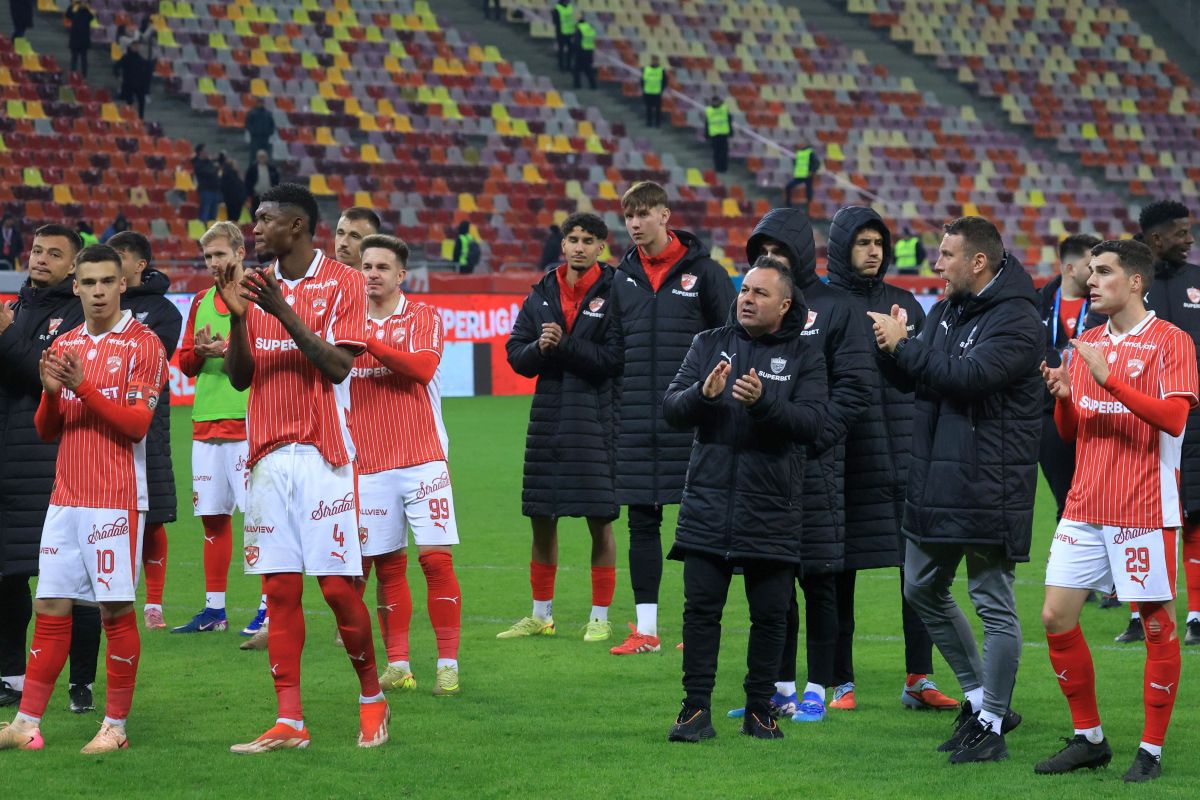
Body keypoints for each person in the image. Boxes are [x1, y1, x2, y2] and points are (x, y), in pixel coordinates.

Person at [215, 183, 387, 752]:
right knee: (281, 591)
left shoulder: (345, 282)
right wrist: (241, 319)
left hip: (325, 456)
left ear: (296, 227)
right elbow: (241, 377)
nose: (255, 228)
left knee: (338, 590)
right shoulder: (249, 286)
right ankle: (289, 720)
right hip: (265, 455)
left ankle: (371, 699)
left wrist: (280, 310)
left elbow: (339, 366)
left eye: (264, 220)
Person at [868, 216, 1043, 763]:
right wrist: (890, 348)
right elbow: (919, 376)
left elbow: (969, 379)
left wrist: (907, 348)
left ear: (979, 262)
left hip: (988, 480)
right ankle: (977, 699)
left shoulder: (1017, 319)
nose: (936, 264)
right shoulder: (946, 311)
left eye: (945, 255)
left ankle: (991, 723)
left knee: (992, 601)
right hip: (937, 475)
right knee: (920, 586)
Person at [1037, 239, 1197, 782]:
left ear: (1135, 281)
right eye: (1089, 271)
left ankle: (1150, 750)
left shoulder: (1172, 342)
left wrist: (1110, 380)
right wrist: (1064, 395)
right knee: (1055, 618)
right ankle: (1089, 739)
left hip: (1143, 507)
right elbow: (1073, 432)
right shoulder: (1084, 344)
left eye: (1103, 271)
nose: (1091, 279)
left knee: (1156, 626)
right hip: (1085, 504)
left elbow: (1174, 419)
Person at [0, 243, 168, 753]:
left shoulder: (143, 344)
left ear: (122, 285)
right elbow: (48, 430)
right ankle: (27, 723)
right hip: (65, 497)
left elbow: (138, 426)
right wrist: (53, 391)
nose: (97, 291)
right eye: (88, 283)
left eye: (106, 282)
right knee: (50, 605)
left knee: (115, 610)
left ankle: (114, 727)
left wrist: (84, 387)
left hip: (114, 499)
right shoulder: (68, 342)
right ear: (76, 287)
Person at [663, 257, 828, 743]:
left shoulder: (803, 354)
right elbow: (671, 407)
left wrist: (766, 403)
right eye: (745, 290)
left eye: (759, 293)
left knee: (770, 614)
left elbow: (814, 424)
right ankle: (694, 710)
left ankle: (761, 709)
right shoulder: (708, 343)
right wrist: (702, 394)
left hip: (772, 504)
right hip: (708, 504)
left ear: (784, 304)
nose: (747, 299)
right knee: (700, 612)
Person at [731, 208, 874, 723]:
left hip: (816, 464)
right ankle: (781, 687)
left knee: (819, 580)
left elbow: (855, 388)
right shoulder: (753, 303)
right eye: (761, 252)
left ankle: (819, 687)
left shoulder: (838, 307)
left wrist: (815, 437)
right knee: (773, 582)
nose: (769, 259)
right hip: (763, 466)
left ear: (799, 251)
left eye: (778, 250)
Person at [824, 206, 956, 712]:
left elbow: (927, 374)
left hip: (904, 454)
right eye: (862, 242)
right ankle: (842, 682)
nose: (874, 250)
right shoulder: (824, 306)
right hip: (844, 455)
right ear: (841, 248)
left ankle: (919, 679)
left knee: (917, 574)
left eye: (878, 242)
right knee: (838, 573)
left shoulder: (906, 304)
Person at [608, 181, 735, 655]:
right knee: (642, 522)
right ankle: (646, 630)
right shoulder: (621, 277)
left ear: (665, 215)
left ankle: (697, 626)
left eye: (644, 213)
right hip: (639, 419)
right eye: (629, 216)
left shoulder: (705, 273)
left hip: (698, 415)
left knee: (701, 526)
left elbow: (731, 339)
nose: (636, 223)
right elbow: (616, 348)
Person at [347, 234, 464, 697]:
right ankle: (398, 663)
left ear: (401, 275)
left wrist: (368, 340)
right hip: (369, 462)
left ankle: (448, 664)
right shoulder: (345, 322)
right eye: (366, 266)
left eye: (381, 267)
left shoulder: (424, 317)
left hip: (423, 460)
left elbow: (419, 370)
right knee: (387, 567)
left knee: (436, 561)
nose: (372, 273)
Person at [500, 213, 621, 643]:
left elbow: (614, 360)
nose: (579, 247)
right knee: (541, 517)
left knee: (599, 520)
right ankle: (541, 615)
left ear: (602, 248)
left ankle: (600, 616)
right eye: (573, 239)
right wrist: (539, 347)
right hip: (548, 419)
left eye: (589, 240)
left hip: (596, 419)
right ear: (563, 244)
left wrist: (564, 344)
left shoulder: (616, 292)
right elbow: (516, 355)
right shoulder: (542, 292)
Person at [0, 226, 89, 713]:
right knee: (6, 577)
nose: (41, 259)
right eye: (37, 250)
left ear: (74, 266)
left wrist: (7, 334)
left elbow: (48, 376)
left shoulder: (75, 314)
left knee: (66, 580)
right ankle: (10, 675)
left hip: (48, 461)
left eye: (55, 253)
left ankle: (81, 681)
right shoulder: (17, 308)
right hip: (8, 460)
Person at [170, 222, 263, 638]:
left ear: (241, 253)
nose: (213, 264)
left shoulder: (259, 296)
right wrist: (200, 352)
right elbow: (186, 364)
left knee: (259, 521)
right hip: (206, 423)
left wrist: (225, 349)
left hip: (249, 423)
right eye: (208, 257)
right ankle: (214, 610)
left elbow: (266, 354)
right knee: (212, 519)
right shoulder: (201, 301)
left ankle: (267, 608)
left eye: (220, 255)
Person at [1116, 200, 1200, 646]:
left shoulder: (1197, 282)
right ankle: (1136, 612)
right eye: (1181, 233)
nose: (1189, 240)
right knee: (1137, 517)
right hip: (1139, 420)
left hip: (1194, 419)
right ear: (1155, 239)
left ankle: (1197, 616)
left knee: (1195, 516)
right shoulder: (1128, 284)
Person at [107, 232, 181, 631]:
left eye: (120, 257)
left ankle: (153, 604)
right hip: (97, 417)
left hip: (148, 421)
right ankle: (113, 594)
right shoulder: (97, 302)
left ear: (140, 266)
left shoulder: (164, 310)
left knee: (152, 515)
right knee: (107, 513)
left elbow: (155, 357)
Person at [1037, 234, 1103, 523]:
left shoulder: (1105, 307)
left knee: (1097, 497)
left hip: (1093, 410)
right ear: (1070, 268)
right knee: (1066, 498)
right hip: (1048, 413)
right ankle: (1068, 560)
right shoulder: (1035, 304)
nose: (1097, 274)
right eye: (1093, 266)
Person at [114, 40, 150, 119]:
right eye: (134, 46)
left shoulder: (141, 60)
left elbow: (145, 75)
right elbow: (116, 66)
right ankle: (129, 117)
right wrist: (118, 76)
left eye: (137, 46)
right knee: (129, 103)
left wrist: (146, 88)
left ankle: (141, 119)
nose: (136, 48)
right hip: (129, 84)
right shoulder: (126, 58)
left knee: (141, 103)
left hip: (139, 85)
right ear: (131, 47)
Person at [245, 150, 281, 217]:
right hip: (256, 195)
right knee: (256, 213)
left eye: (263, 156)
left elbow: (276, 180)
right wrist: (249, 193)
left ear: (267, 157)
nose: (262, 158)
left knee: (268, 214)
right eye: (260, 157)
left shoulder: (272, 168)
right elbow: (248, 181)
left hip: (269, 196)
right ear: (257, 158)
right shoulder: (252, 168)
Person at [784, 145, 820, 211]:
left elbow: (817, 163)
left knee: (809, 192)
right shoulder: (799, 153)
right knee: (788, 186)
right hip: (799, 175)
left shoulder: (810, 153)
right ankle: (788, 205)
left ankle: (809, 209)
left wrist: (812, 171)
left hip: (807, 175)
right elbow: (796, 163)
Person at [193, 144, 221, 225]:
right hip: (206, 191)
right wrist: (215, 168)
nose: (207, 152)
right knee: (205, 214)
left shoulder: (209, 162)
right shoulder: (198, 163)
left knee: (213, 216)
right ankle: (203, 232)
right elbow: (210, 172)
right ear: (200, 152)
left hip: (214, 191)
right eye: (205, 151)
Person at [64, 2, 93, 77]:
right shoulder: (75, 11)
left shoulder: (87, 13)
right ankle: (73, 75)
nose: (83, 3)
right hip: (75, 38)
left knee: (84, 59)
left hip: (84, 39)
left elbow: (92, 16)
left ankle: (84, 75)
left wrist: (87, 7)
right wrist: (73, 4)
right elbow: (68, 14)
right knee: (74, 58)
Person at [704, 96, 731, 174]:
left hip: (723, 134)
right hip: (714, 134)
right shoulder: (709, 110)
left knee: (724, 153)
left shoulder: (724, 108)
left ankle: (724, 168)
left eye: (717, 101)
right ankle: (718, 168)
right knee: (716, 153)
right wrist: (707, 134)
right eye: (714, 101)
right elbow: (707, 123)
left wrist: (730, 132)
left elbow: (729, 120)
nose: (715, 103)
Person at [572, 15, 597, 90]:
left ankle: (577, 85)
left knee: (576, 69)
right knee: (588, 69)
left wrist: (574, 50)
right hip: (589, 52)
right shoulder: (590, 29)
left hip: (581, 52)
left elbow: (577, 42)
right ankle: (593, 85)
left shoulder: (580, 29)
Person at [220, 156, 247, 224]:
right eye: (236, 164)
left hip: (238, 201)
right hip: (232, 201)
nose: (237, 166)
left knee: (235, 220)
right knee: (232, 219)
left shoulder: (236, 175)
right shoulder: (228, 176)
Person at [642, 55, 666, 128]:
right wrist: (644, 89)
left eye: (656, 60)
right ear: (651, 61)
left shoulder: (661, 69)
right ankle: (649, 122)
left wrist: (661, 90)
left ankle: (657, 123)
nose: (655, 61)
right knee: (648, 108)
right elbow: (642, 80)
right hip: (648, 92)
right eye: (653, 60)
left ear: (658, 61)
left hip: (657, 92)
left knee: (658, 109)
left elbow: (664, 81)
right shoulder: (646, 69)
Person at [553, 1, 575, 72]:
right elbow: (555, 21)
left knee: (571, 50)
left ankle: (568, 66)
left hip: (570, 32)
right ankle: (561, 67)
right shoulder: (557, 9)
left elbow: (572, 19)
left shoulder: (570, 7)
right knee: (561, 50)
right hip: (561, 33)